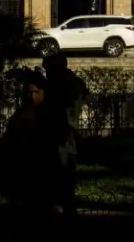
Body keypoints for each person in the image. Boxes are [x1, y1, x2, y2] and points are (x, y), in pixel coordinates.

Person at [0, 71, 62, 234]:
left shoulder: (50, 115)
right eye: (28, 92)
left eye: (34, 92)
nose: (30, 96)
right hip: (22, 170)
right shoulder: (20, 115)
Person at [41, 54, 88, 224]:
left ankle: (62, 209)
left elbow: (57, 105)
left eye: (48, 69)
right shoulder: (69, 82)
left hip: (61, 135)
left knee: (60, 172)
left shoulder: (63, 84)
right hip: (62, 134)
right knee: (62, 173)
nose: (47, 73)